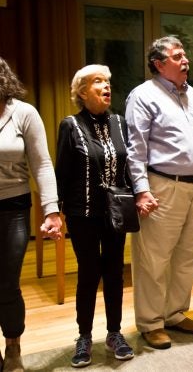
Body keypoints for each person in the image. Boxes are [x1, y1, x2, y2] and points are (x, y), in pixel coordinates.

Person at [125, 36, 193, 349]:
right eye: (177, 56)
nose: (185, 60)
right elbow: (135, 149)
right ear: (159, 64)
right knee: (153, 258)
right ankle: (150, 322)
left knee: (188, 255)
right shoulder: (143, 96)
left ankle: (173, 313)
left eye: (185, 54)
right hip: (162, 186)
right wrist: (141, 191)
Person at [56, 65, 134, 367]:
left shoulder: (119, 123)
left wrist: (137, 195)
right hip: (82, 214)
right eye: (98, 82)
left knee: (115, 273)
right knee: (89, 274)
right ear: (82, 91)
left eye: (108, 82)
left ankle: (114, 333)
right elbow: (62, 172)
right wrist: (56, 213)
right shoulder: (70, 125)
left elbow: (128, 165)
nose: (106, 86)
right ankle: (84, 337)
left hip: (115, 212)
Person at [0, 57, 62, 372]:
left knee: (7, 281)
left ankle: (13, 346)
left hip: (12, 206)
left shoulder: (23, 113)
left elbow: (41, 163)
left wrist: (52, 210)